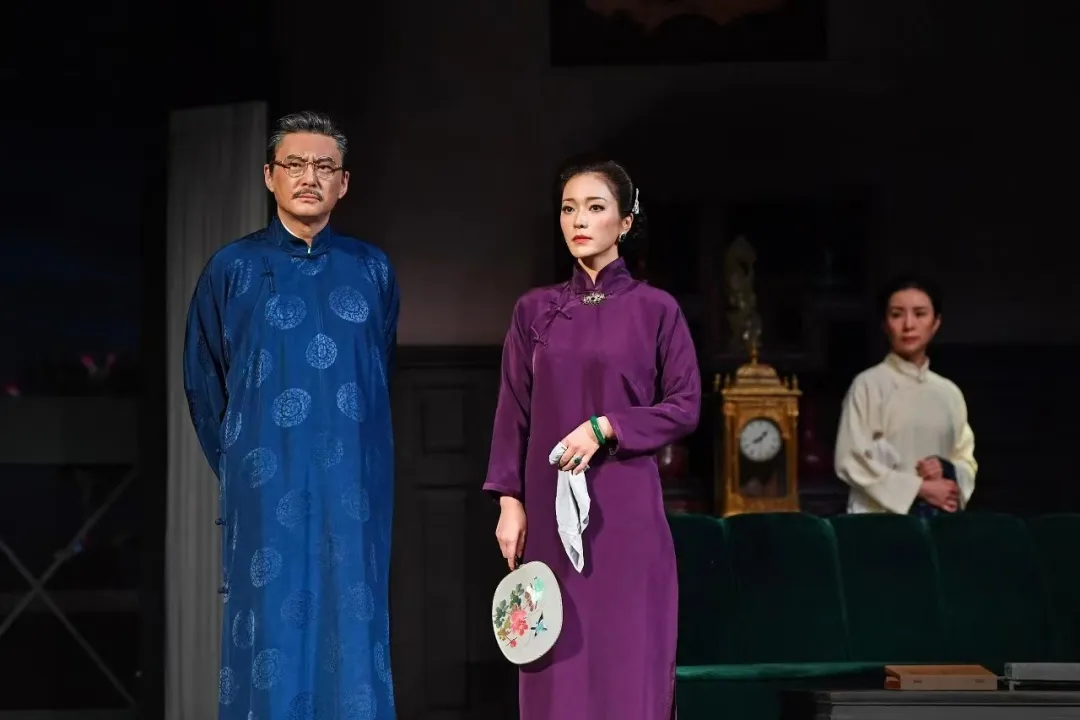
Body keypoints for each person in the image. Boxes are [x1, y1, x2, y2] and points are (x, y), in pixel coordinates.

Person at [183, 110, 399, 719]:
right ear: (269, 176)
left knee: (354, 623)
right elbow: (203, 383)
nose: (309, 177)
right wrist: (243, 461)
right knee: (269, 632)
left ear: (344, 182)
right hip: (264, 481)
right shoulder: (233, 268)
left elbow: (376, 369)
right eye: (295, 164)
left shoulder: (372, 269)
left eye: (324, 167)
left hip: (353, 486)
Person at [483, 156, 701, 719]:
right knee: (556, 668)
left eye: (595, 207)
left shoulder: (657, 309)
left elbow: (685, 406)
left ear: (625, 221)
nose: (579, 220)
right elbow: (513, 409)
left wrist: (609, 427)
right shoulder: (534, 310)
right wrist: (509, 500)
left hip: (626, 512)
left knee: (629, 661)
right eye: (568, 208)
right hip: (547, 516)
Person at [834, 275, 977, 516]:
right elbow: (850, 460)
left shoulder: (949, 393)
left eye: (920, 314)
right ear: (884, 324)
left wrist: (948, 471)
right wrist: (919, 488)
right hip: (878, 524)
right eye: (897, 314)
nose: (908, 324)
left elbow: (965, 459)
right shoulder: (868, 385)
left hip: (939, 523)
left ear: (936, 323)